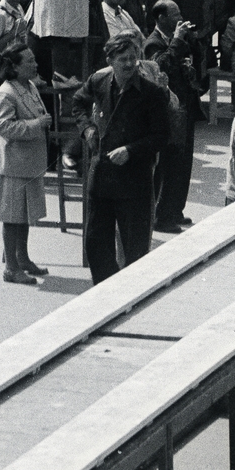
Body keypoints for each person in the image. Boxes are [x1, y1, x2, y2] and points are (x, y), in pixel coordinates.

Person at [73, 33, 170, 283]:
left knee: (135, 250)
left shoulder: (152, 93)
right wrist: (87, 129)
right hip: (102, 177)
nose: (129, 64)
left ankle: (129, 296)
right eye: (122, 59)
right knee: (96, 244)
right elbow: (78, 103)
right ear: (110, 60)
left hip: (134, 181)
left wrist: (131, 151)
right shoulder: (99, 80)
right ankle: (105, 294)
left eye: (133, 58)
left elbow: (161, 136)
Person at [0, 46, 51, 285]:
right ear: (14, 66)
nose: (35, 65)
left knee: (24, 214)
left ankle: (22, 258)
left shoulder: (29, 86)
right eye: (29, 61)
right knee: (12, 217)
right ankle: (11, 268)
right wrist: (37, 124)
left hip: (29, 163)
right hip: (13, 165)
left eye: (34, 60)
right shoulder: (5, 93)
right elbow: (5, 128)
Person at [144, 0, 205, 234]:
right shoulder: (153, 42)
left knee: (183, 163)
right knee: (169, 165)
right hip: (167, 112)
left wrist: (192, 40)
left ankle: (175, 209)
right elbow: (160, 66)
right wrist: (178, 41)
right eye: (175, 14)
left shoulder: (179, 40)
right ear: (161, 18)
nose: (180, 17)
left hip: (184, 108)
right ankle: (162, 215)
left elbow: (197, 61)